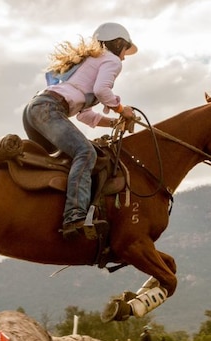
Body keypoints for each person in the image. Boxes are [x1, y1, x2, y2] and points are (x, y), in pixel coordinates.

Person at [23, 22, 138, 239]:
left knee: (60, 160)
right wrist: (123, 111)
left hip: (36, 109)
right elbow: (102, 90)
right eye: (125, 50)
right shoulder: (111, 60)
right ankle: (74, 215)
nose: (124, 58)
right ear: (118, 44)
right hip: (49, 109)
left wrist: (114, 123)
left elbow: (84, 115)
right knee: (86, 153)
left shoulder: (91, 63)